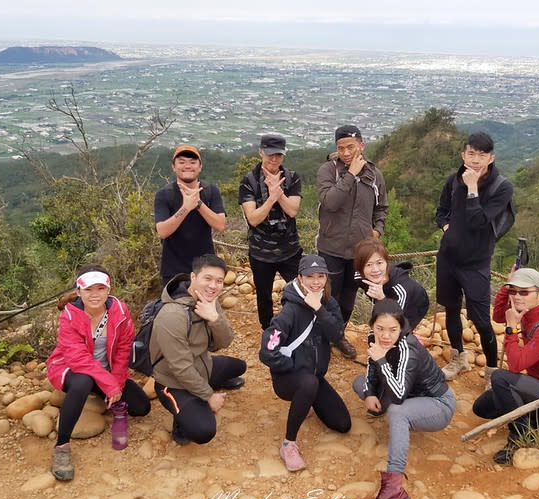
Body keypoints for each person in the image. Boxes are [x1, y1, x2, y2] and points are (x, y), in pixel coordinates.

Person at [352, 299, 456, 499]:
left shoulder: (408, 347)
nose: (385, 335)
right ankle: (385, 406)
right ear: (372, 326)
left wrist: (381, 359)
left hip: (436, 403)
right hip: (408, 393)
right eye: (380, 328)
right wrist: (370, 393)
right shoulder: (374, 338)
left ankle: (394, 490)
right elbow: (371, 369)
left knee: (397, 411)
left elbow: (398, 393)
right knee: (360, 383)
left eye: (392, 329)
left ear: (402, 328)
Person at [46, 264, 151, 481]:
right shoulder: (70, 316)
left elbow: (123, 351)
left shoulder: (120, 312)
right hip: (70, 368)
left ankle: (100, 395)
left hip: (106, 370)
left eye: (100, 288)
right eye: (88, 289)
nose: (95, 295)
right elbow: (78, 359)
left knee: (141, 407)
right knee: (83, 382)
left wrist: (118, 384)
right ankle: (62, 446)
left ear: (108, 289)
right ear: (78, 292)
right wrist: (109, 385)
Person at [259, 254, 352, 472]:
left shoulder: (330, 304)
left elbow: (337, 335)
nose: (316, 281)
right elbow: (267, 351)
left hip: (314, 376)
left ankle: (306, 401)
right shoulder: (290, 309)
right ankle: (288, 444)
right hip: (288, 378)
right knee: (308, 383)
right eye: (310, 276)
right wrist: (292, 367)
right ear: (300, 278)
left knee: (342, 424)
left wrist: (319, 310)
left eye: (321, 276)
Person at [472, 268, 539, 465]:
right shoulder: (528, 310)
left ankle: (519, 437)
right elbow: (499, 316)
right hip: (535, 385)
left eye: (524, 292)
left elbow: (516, 365)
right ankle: (531, 418)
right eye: (514, 291)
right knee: (481, 407)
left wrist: (512, 329)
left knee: (500, 378)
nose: (517, 297)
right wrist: (506, 287)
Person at [435, 131, 513, 382]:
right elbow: (441, 212)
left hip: (476, 263)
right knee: (451, 309)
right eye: (471, 153)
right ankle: (459, 358)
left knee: (481, 320)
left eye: (482, 155)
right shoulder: (452, 180)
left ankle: (491, 371)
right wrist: (448, 229)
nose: (476, 159)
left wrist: (471, 189)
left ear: (491, 158)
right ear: (463, 155)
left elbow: (479, 221)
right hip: (448, 258)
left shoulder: (501, 187)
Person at [150, 254, 247, 445]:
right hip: (173, 381)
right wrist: (209, 396)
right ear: (193, 278)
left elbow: (225, 341)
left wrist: (214, 318)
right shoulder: (172, 315)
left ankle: (205, 386)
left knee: (240, 366)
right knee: (203, 431)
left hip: (202, 366)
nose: (213, 286)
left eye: (219, 281)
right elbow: (181, 367)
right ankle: (181, 421)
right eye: (208, 279)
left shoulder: (209, 300)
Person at [316, 124, 388, 358]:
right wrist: (351, 175)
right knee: (328, 298)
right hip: (331, 248)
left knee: (348, 300)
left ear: (361, 146)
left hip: (359, 252)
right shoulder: (329, 170)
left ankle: (339, 336)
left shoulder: (375, 175)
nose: (346, 153)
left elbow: (381, 208)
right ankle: (321, 339)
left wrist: (376, 232)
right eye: (341, 148)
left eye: (350, 147)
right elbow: (330, 203)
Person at [239, 134, 303, 329]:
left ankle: (297, 325)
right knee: (264, 295)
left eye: (278, 155)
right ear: (260, 152)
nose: (274, 159)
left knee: (301, 288)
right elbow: (254, 218)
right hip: (260, 251)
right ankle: (267, 329)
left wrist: (278, 192)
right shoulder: (248, 180)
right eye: (269, 154)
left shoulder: (292, 177)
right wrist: (271, 198)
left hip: (289, 249)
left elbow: (292, 210)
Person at [154, 145, 227, 286]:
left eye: (193, 162)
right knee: (174, 308)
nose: (187, 166)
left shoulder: (210, 191)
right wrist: (186, 208)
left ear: (200, 167)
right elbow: (162, 232)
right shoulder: (164, 194)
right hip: (173, 270)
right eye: (182, 162)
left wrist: (198, 203)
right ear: (173, 167)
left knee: (204, 307)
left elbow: (220, 225)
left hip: (206, 268)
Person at [353, 237, 429, 331]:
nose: (375, 270)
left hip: (414, 301)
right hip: (384, 296)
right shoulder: (360, 276)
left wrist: (382, 299)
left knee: (399, 331)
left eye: (379, 263)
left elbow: (396, 319)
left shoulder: (401, 290)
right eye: (368, 265)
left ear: (386, 262)